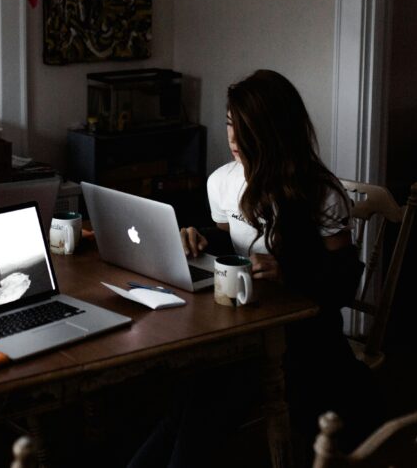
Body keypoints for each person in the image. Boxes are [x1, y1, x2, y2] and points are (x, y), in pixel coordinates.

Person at [131, 70, 380, 466]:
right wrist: (198, 238)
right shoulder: (222, 182)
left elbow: (344, 282)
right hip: (240, 325)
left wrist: (288, 271)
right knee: (186, 403)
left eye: (244, 127)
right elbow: (231, 241)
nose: (233, 138)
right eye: (230, 123)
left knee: (202, 404)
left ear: (274, 131)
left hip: (300, 338)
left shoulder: (321, 193)